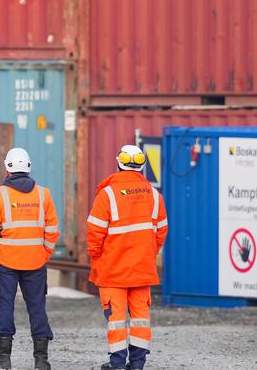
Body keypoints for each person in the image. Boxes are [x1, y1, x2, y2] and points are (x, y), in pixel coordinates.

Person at [86, 145, 168, 370]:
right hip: (142, 269)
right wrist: (147, 254)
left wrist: (96, 258)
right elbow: (161, 231)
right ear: (141, 165)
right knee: (141, 318)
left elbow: (94, 233)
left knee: (116, 320)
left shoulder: (107, 194)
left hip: (113, 271)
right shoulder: (154, 195)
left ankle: (117, 365)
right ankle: (137, 364)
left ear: (118, 162)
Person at [0, 148, 59, 370]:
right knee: (37, 307)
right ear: (29, 167)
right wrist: (45, 254)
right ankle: (41, 360)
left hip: (5, 262)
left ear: (7, 168)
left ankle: (3, 357)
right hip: (36, 262)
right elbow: (52, 230)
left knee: (5, 306)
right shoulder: (44, 195)